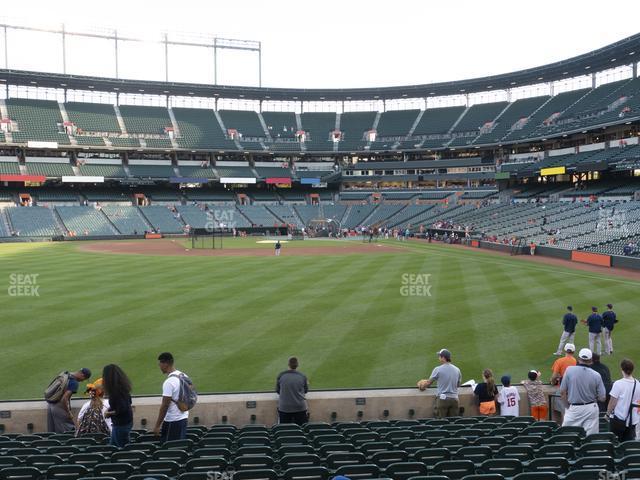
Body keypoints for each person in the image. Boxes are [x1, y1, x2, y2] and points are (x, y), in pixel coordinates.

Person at [559, 348, 606, 435]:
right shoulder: (596, 375)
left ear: (579, 359)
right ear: (591, 361)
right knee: (590, 438)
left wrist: (567, 407)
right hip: (591, 408)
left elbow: (562, 391)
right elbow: (602, 398)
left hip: (574, 409)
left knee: (567, 436)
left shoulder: (569, 370)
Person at [154, 352, 189, 442]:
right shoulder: (184, 375)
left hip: (172, 421)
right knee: (179, 448)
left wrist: (157, 425)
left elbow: (165, 405)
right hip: (183, 417)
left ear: (165, 364)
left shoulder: (169, 382)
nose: (159, 366)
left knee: (169, 450)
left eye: (160, 364)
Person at [417, 349, 462, 418]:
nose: (439, 358)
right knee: (453, 423)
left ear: (443, 358)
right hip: (455, 400)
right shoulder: (457, 369)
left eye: (439, 356)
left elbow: (428, 383)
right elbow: (458, 385)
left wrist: (421, 386)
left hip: (442, 400)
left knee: (441, 422)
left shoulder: (438, 369)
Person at [47, 368, 92, 433]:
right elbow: (64, 399)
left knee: (52, 432)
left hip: (50, 405)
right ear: (82, 375)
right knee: (67, 431)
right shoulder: (74, 382)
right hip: (59, 407)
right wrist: (69, 412)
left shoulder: (65, 374)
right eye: (84, 379)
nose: (82, 381)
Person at [607, 359, 640, 442]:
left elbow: (612, 402)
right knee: (627, 445)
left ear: (622, 369)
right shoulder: (638, 384)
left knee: (615, 443)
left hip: (619, 420)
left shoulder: (618, 384)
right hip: (632, 421)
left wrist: (607, 414)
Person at [102, 364, 133, 448]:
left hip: (121, 424)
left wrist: (108, 413)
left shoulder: (116, 392)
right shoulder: (122, 388)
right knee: (113, 446)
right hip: (124, 423)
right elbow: (127, 403)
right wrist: (109, 409)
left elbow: (122, 409)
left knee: (121, 449)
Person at [276, 357, 309, 425]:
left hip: (284, 407)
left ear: (288, 364)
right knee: (302, 429)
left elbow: (278, 390)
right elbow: (305, 390)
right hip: (300, 407)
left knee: (284, 430)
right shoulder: (302, 376)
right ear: (297, 365)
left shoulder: (281, 375)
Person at [551, 344, 577, 423]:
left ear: (565, 350)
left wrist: (553, 382)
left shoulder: (559, 361)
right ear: (573, 351)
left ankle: (564, 429)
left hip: (563, 388)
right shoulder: (576, 361)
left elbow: (554, 376)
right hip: (574, 388)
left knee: (563, 409)